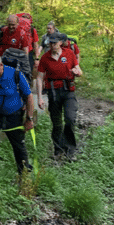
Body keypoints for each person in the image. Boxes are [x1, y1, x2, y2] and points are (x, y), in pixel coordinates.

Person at [0, 54, 34, 173]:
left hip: (14, 115)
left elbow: (29, 96)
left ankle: (24, 171)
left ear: (0, 65)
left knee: (18, 145)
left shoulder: (16, 75)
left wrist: (29, 119)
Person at [36, 32, 83, 160]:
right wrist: (40, 97)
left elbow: (79, 70)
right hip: (53, 92)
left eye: (55, 43)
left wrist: (77, 72)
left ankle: (71, 150)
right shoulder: (45, 58)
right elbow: (39, 78)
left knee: (70, 119)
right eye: (50, 43)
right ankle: (58, 149)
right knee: (56, 123)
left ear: (60, 43)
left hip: (68, 91)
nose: (52, 45)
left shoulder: (69, 53)